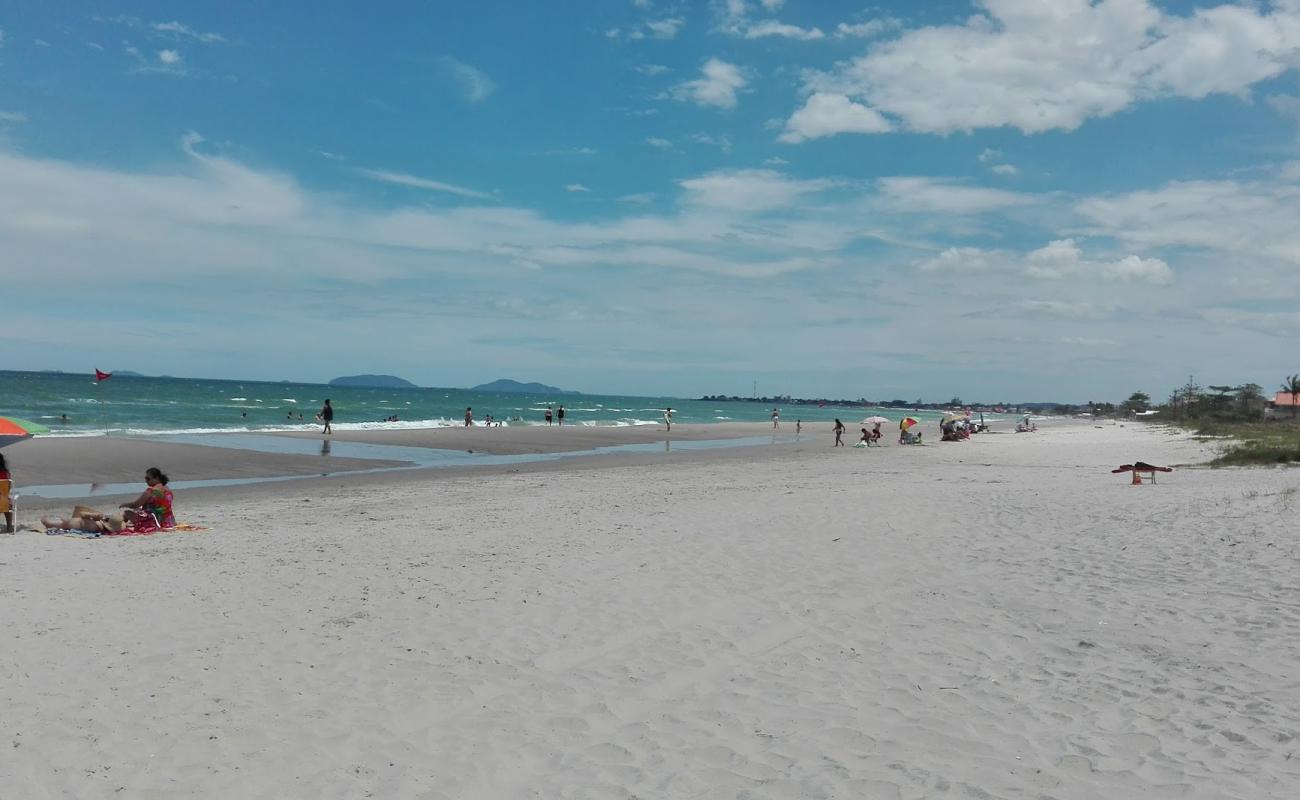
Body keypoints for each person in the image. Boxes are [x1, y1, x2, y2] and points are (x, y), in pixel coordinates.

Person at [41, 510, 125, 534]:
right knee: (64, 523)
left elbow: (82, 514)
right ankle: (61, 521)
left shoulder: (95, 524)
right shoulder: (99, 528)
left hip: (74, 524)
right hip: (76, 524)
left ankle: (47, 523)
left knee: (60, 524)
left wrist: (92, 515)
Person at [0, 452, 13, 532]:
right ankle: (9, 527)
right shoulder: (6, 474)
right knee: (8, 503)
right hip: (5, 502)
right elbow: (9, 487)